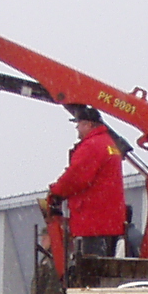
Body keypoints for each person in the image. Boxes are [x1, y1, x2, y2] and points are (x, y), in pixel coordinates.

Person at [45, 109, 127, 260]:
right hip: (110, 222)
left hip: (92, 222)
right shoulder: (109, 144)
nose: (77, 128)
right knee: (106, 267)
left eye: (79, 124)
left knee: (91, 269)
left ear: (88, 124)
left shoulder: (92, 145)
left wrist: (56, 193)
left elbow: (76, 176)